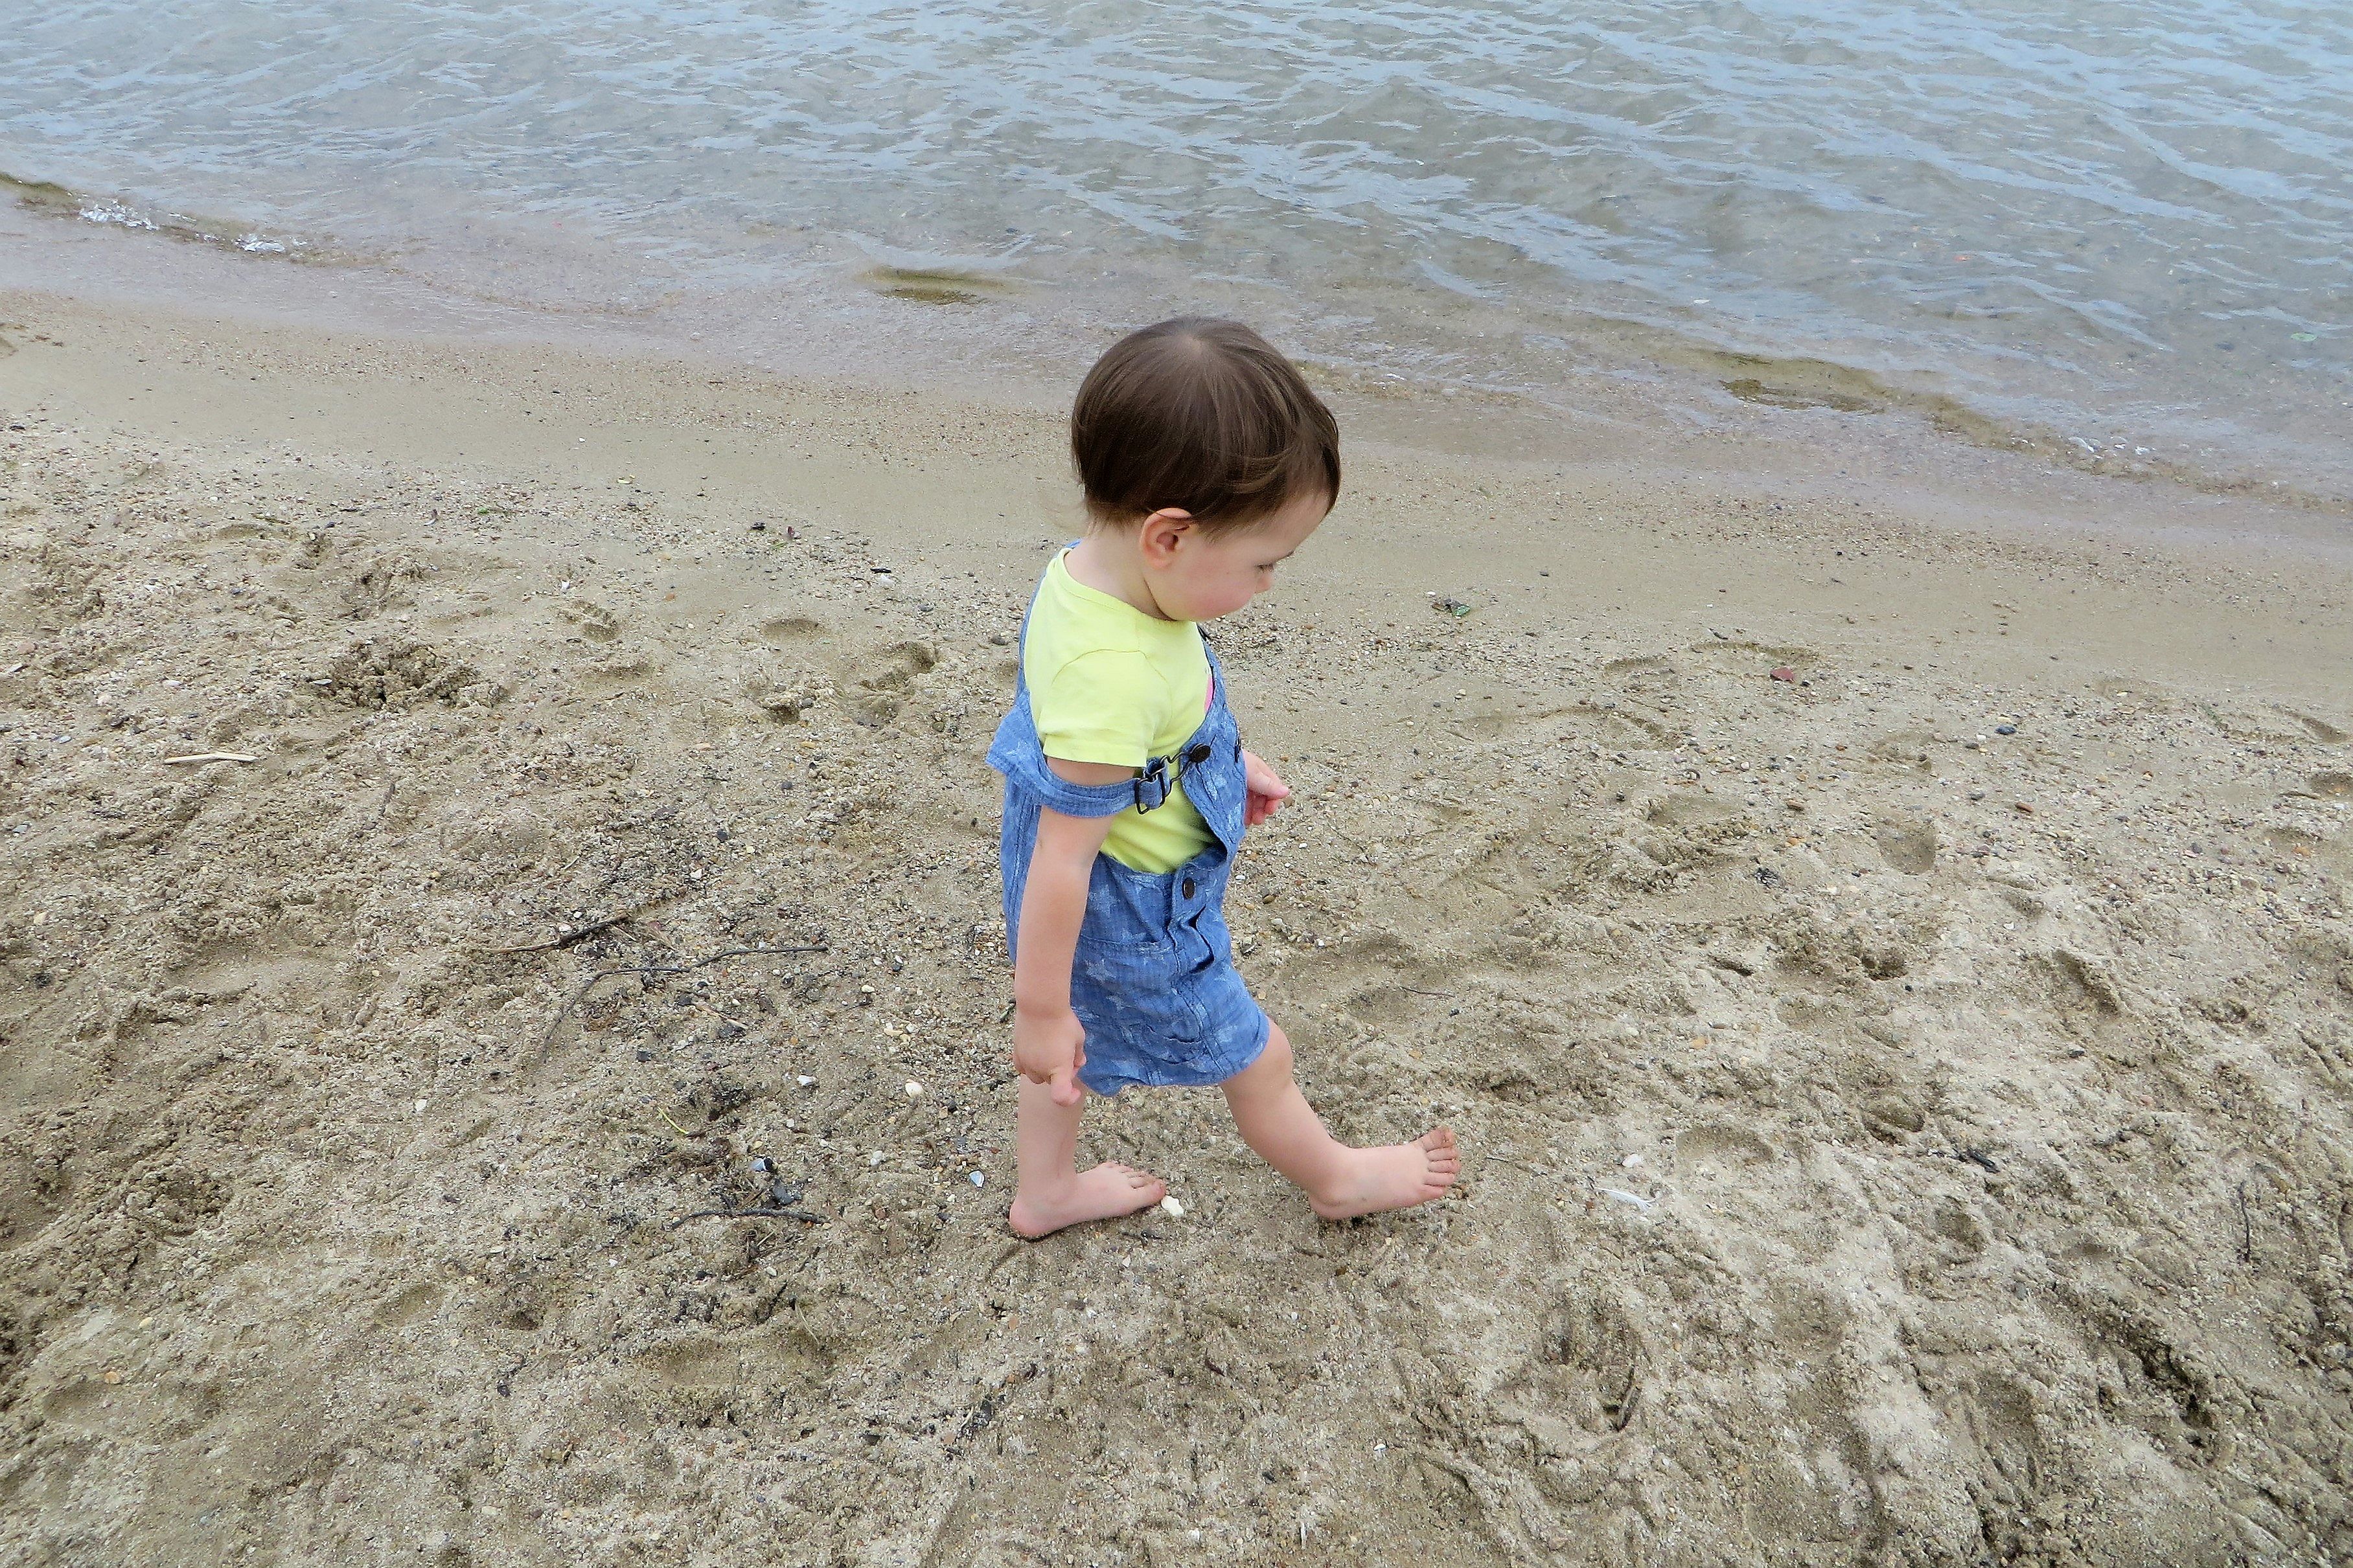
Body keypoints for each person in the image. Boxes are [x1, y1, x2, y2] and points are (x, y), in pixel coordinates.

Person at [987, 317, 1460, 1239]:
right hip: (1127, 905)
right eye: (1262, 562)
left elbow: (1147, 731)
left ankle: (1044, 1191)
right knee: (1256, 1054)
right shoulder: (1112, 673)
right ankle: (1336, 1179)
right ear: (1169, 536)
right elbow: (1063, 859)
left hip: (1102, 858)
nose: (1270, 584)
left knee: (1068, 1058)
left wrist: (1222, 761)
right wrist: (1038, 1009)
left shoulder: (1097, 575)